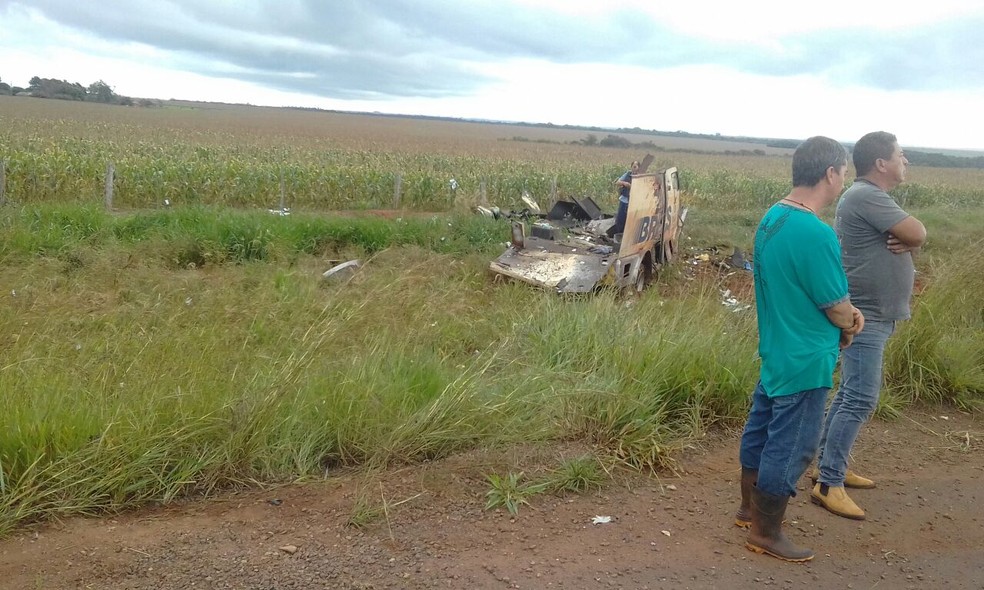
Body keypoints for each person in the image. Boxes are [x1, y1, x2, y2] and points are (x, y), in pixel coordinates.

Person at [735, 136, 864, 562]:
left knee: (760, 431)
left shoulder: (772, 217)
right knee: (792, 446)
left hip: (775, 351)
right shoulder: (815, 232)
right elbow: (835, 305)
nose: (843, 179)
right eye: (843, 172)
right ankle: (766, 532)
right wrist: (851, 323)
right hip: (806, 357)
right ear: (830, 173)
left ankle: (747, 510)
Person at [811, 132, 927, 520]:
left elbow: (910, 237)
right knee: (859, 397)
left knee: (849, 395)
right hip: (868, 316)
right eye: (900, 155)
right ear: (881, 163)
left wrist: (907, 242)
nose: (905, 160)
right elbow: (918, 232)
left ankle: (829, 467)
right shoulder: (866, 195)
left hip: (876, 313)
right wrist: (911, 240)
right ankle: (829, 483)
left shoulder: (867, 197)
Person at [606, 160, 639, 238]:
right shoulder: (628, 174)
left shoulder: (640, 177)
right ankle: (619, 236)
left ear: (639, 168)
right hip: (624, 200)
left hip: (634, 202)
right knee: (621, 219)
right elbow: (618, 182)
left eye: (636, 167)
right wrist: (625, 183)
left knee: (631, 221)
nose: (634, 169)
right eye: (633, 167)